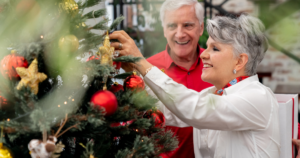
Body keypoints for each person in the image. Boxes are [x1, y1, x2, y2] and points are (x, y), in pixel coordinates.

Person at [110, 14, 280, 158]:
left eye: (215, 49)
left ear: (240, 61)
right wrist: (136, 71)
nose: (204, 54)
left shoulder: (257, 97)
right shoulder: (213, 94)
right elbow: (168, 110)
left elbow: (193, 108)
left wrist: (142, 64)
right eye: (207, 47)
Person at [114, 0, 212, 157]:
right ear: (164, 30)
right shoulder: (146, 70)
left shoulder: (216, 68)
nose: (180, 34)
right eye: (172, 26)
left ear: (201, 28)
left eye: (188, 25)